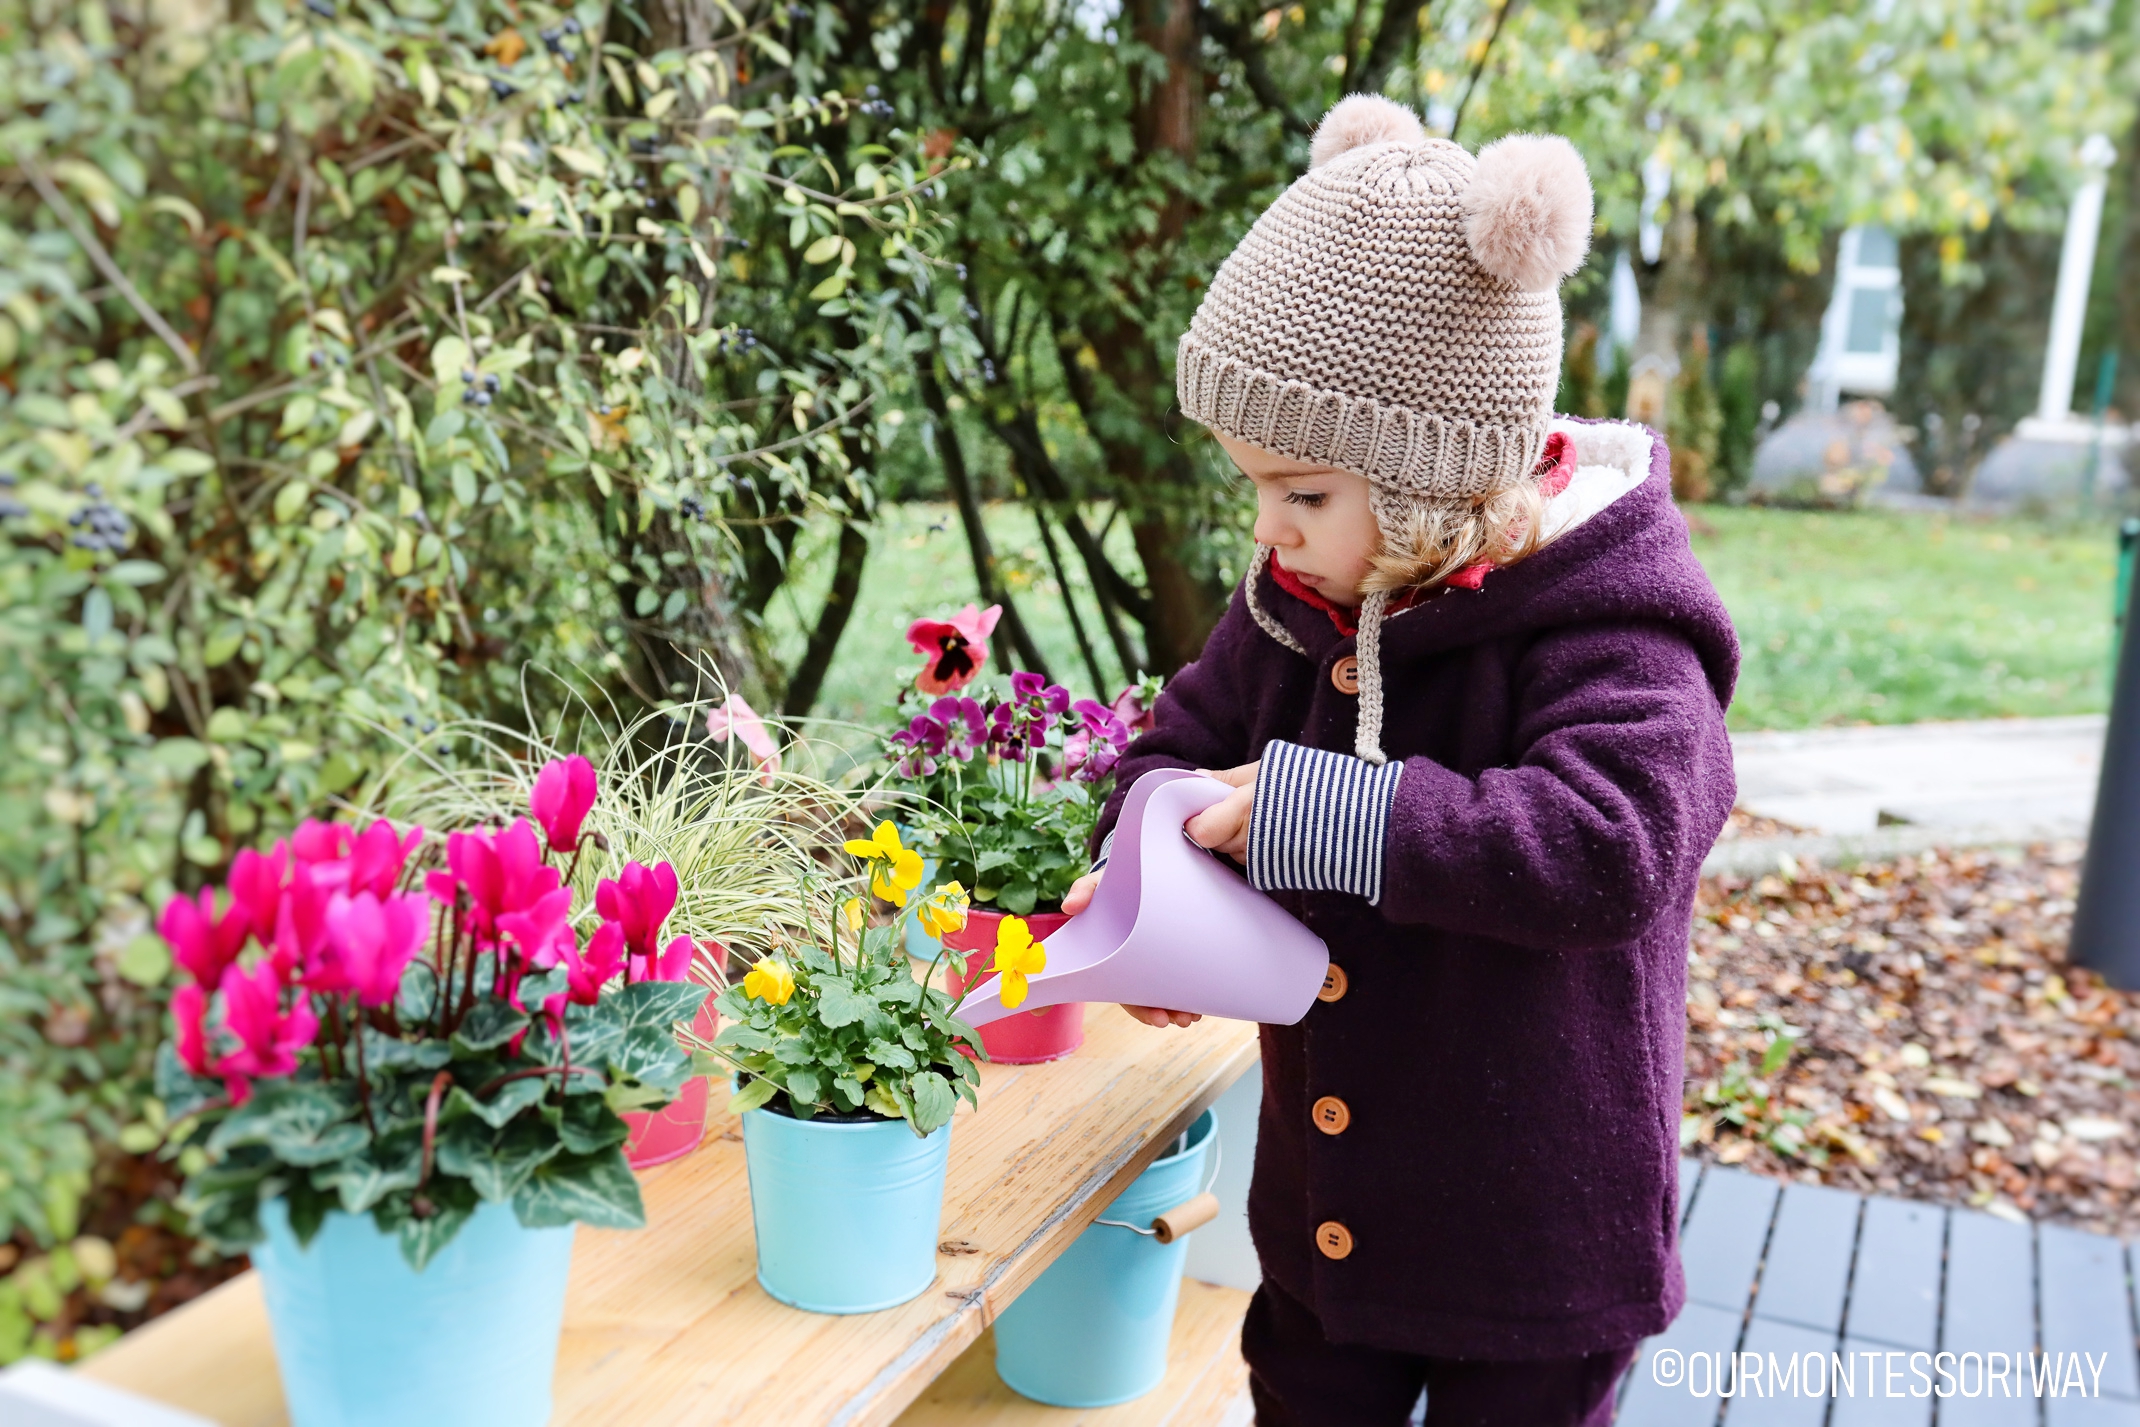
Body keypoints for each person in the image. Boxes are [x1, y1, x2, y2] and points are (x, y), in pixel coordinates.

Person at [1060, 95, 1738, 1426]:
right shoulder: (1298, 605)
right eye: (1254, 487)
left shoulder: (1614, 620)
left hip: (1534, 1246)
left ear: (1437, 474)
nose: (1273, 531)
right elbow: (1175, 750)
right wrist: (1148, 894)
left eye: (1305, 493)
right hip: (1332, 1230)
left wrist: (1326, 817)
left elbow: (1615, 845)